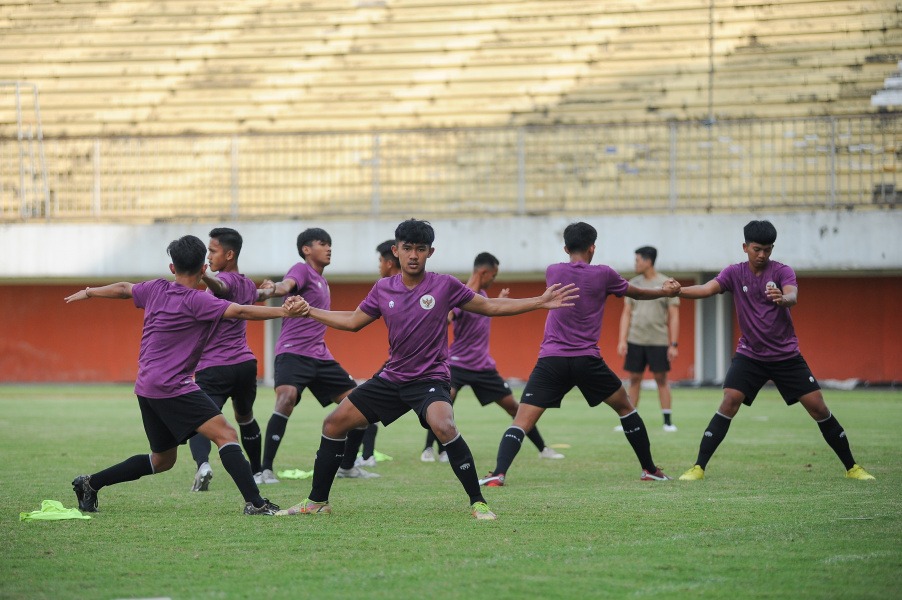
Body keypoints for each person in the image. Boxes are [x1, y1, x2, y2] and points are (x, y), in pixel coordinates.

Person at [273, 219, 578, 520]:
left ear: (431, 251)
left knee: (444, 426)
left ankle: (478, 503)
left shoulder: (444, 285)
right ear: (396, 251)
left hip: (430, 378)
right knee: (333, 424)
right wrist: (310, 310)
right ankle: (316, 501)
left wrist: (539, 301)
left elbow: (490, 307)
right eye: (407, 248)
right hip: (392, 378)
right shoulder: (383, 289)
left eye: (421, 248)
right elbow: (353, 322)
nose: (414, 255)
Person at [66, 235, 307, 515]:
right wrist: (286, 312)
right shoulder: (199, 301)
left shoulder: (155, 288)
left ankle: (90, 483)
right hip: (173, 386)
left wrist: (90, 291)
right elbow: (241, 310)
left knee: (162, 460)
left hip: (146, 386)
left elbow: (123, 288)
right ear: (204, 268)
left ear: (172, 268)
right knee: (227, 434)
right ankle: (256, 503)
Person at [479, 222, 679, 488]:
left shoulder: (553, 270)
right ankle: (649, 469)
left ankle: (498, 473)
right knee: (625, 408)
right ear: (593, 248)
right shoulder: (605, 275)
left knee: (522, 420)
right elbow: (638, 293)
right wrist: (663, 292)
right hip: (587, 361)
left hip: (551, 360)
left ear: (565, 248)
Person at [676, 220, 875, 481]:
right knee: (729, 401)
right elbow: (706, 289)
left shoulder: (782, 272)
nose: (762, 255)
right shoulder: (734, 273)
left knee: (818, 408)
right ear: (745, 247)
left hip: (786, 356)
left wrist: (783, 298)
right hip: (750, 355)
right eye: (757, 249)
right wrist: (678, 291)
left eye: (768, 250)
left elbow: (793, 295)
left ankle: (852, 468)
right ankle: (698, 468)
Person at [256, 228, 377, 483]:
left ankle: (346, 467)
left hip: (320, 356)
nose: (329, 248)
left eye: (330, 244)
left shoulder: (323, 281)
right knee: (286, 398)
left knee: (362, 406)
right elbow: (285, 285)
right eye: (323, 244)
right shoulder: (301, 270)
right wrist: (270, 291)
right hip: (293, 352)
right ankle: (264, 470)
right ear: (306, 250)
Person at [421, 252, 564, 463]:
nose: (493, 280)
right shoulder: (461, 295)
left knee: (514, 407)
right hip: (457, 364)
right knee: (443, 401)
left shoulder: (484, 297)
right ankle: (430, 450)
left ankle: (543, 448)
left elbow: (490, 309)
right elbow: (448, 318)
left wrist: (502, 301)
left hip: (483, 367)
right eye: (493, 275)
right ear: (484, 271)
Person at [188, 228, 267, 492]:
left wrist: (205, 277)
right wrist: (267, 291)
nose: (208, 256)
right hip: (245, 365)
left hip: (215, 367)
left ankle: (203, 465)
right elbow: (258, 296)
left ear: (229, 254)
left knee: (199, 418)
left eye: (213, 251)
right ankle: (259, 471)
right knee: (245, 417)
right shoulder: (247, 284)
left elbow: (221, 288)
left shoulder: (227, 281)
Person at [615, 246, 680, 433]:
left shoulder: (666, 283)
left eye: (637, 260)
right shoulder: (633, 283)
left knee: (661, 379)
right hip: (636, 339)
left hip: (658, 340)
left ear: (648, 261)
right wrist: (622, 340)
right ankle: (629, 421)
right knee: (634, 379)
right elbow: (626, 314)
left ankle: (667, 422)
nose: (635, 264)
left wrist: (673, 344)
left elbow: (674, 316)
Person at [351, 239, 402, 468]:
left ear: (390, 262)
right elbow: (354, 319)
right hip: (397, 363)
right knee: (363, 403)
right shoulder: (384, 288)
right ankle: (367, 456)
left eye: (380, 262)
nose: (379, 266)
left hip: (408, 368)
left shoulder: (399, 286)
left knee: (364, 404)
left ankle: (365, 456)